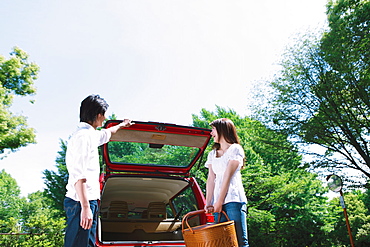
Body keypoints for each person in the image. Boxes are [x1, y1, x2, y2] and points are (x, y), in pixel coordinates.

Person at [64, 95, 133, 247]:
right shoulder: (82, 137)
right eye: (103, 115)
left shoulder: (90, 135)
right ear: (98, 115)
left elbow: (107, 133)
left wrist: (122, 125)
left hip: (88, 201)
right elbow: (78, 176)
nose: (104, 118)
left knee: (87, 244)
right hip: (80, 202)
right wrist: (86, 208)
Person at [204, 118, 249, 247]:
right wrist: (209, 202)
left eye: (213, 130)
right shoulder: (212, 154)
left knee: (240, 242)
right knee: (222, 242)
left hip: (234, 200)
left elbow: (227, 178)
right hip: (218, 203)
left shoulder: (235, 149)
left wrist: (218, 202)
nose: (211, 133)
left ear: (222, 130)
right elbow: (211, 179)